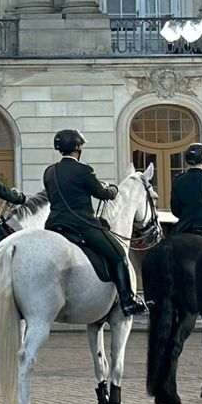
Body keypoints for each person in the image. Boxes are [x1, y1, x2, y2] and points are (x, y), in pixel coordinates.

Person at [43, 129, 145, 316]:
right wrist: (113, 190)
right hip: (81, 224)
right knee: (119, 256)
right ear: (78, 148)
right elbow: (101, 193)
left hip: (53, 224)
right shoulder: (83, 170)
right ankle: (127, 301)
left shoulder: (50, 172)